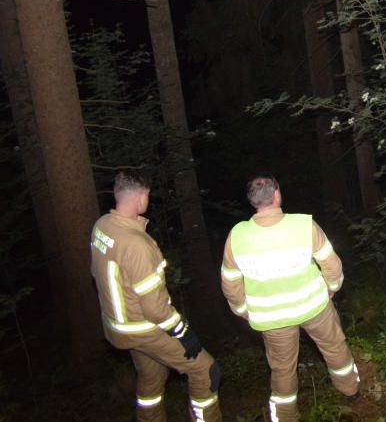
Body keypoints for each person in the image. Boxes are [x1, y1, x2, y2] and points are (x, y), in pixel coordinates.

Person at [220, 175, 359, 422]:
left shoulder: (237, 236)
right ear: (277, 195)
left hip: (272, 319)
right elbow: (331, 264)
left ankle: (285, 416)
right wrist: (332, 288)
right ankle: (350, 391)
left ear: (253, 202)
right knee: (334, 347)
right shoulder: (303, 225)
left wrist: (244, 310)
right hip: (314, 306)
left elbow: (230, 285)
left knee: (282, 369)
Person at [89, 171, 221, 422]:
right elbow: (155, 308)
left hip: (118, 327)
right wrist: (182, 332)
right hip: (142, 327)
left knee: (151, 378)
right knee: (206, 370)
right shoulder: (138, 244)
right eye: (147, 196)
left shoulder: (103, 226)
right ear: (140, 198)